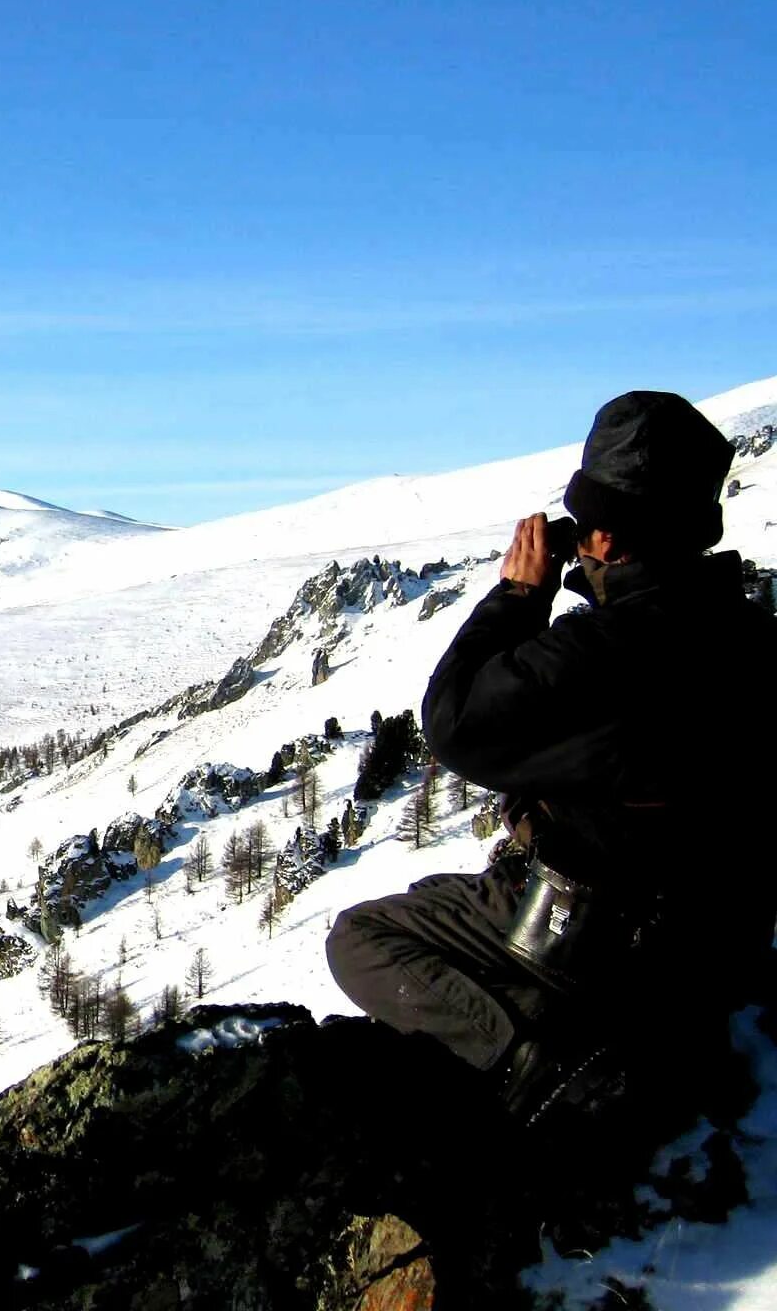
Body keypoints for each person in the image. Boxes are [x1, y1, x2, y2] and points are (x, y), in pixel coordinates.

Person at [326, 389, 777, 1127]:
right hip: (712, 945)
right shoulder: (753, 635)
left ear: (610, 536)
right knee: (447, 884)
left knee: (363, 936)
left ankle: (530, 1060)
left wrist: (516, 596)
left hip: (599, 934)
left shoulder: (605, 651)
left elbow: (454, 724)